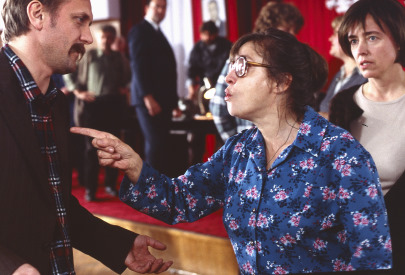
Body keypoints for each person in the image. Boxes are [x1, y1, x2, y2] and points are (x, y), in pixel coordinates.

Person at [74, 28, 392, 274]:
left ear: (281, 82)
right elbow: (179, 200)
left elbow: (373, 262)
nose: (228, 77)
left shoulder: (341, 156)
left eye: (242, 66)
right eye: (230, 66)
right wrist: (134, 165)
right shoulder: (239, 151)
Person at [0, 0, 172, 275]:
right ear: (37, 14)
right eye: (79, 20)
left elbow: (52, 204)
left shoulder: (56, 102)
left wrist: (119, 245)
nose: (88, 37)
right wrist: (7, 269)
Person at [329, 0, 405, 274]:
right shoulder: (344, 102)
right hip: (351, 248)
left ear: (398, 39)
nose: (360, 50)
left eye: (372, 38)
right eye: (353, 40)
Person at [210, 1, 305, 142]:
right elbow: (218, 108)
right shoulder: (241, 60)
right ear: (270, 27)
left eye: (294, 31)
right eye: (287, 29)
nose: (292, 36)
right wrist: (239, 145)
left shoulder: (294, 62)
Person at [64, 24, 131, 201]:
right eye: (103, 37)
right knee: (91, 150)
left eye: (110, 38)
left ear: (114, 39)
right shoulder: (89, 55)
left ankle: (110, 185)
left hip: (113, 105)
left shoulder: (119, 57)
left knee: (112, 147)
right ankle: (90, 189)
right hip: (93, 106)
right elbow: (67, 70)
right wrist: (77, 91)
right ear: (98, 38)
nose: (106, 41)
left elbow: (127, 77)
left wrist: (124, 88)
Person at [128, 0, 181, 176]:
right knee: (156, 145)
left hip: (163, 100)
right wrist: (147, 97)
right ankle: (150, 192)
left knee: (163, 146)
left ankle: (161, 192)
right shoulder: (139, 31)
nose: (160, 10)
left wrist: (174, 103)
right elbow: (138, 66)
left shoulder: (158, 32)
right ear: (147, 8)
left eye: (163, 7)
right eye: (156, 6)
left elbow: (167, 71)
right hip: (148, 100)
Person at [318, 16, 367, 119]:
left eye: (335, 33)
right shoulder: (339, 74)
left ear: (352, 39)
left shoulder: (366, 77)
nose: (330, 38)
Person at [186, 20, 232, 101]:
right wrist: (191, 90)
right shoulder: (197, 49)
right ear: (201, 34)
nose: (207, 37)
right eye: (204, 34)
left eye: (210, 35)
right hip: (205, 88)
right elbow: (191, 71)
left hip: (224, 85)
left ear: (215, 34)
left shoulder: (226, 46)